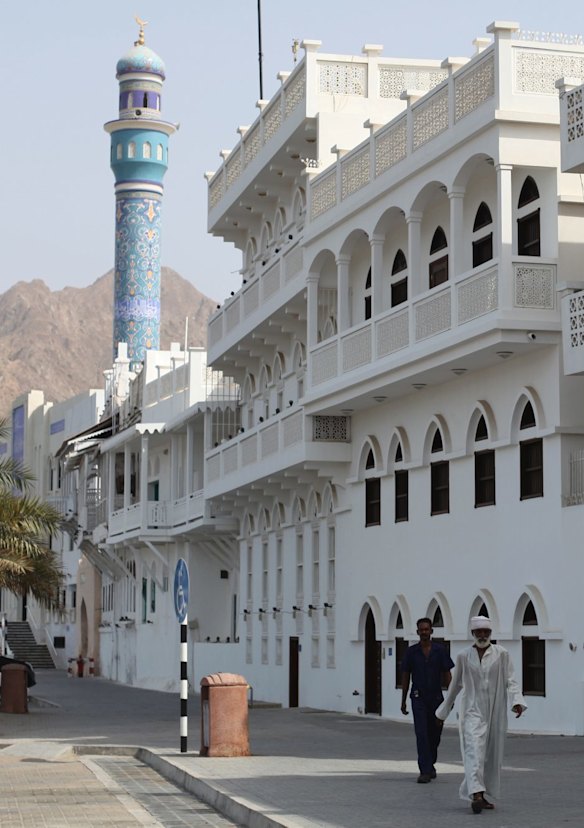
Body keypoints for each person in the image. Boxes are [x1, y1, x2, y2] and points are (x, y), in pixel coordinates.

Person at [435, 615, 527, 814]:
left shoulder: (501, 654)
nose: (483, 635)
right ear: (473, 633)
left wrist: (517, 701)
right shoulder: (463, 656)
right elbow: (455, 685)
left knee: (489, 756)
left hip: (495, 711)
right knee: (474, 751)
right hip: (471, 710)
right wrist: (443, 711)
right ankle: (476, 795)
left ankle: (481, 794)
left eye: (486, 632)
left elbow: (511, 680)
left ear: (490, 634)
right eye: (479, 632)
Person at [401, 617, 454, 783]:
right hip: (418, 698)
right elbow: (405, 675)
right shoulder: (411, 652)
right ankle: (424, 770)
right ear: (417, 632)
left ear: (431, 631)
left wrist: (450, 699)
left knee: (435, 734)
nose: (424, 632)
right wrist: (403, 700)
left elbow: (447, 674)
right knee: (421, 734)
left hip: (437, 699)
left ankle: (430, 764)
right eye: (421, 630)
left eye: (426, 629)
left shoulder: (440, 650)